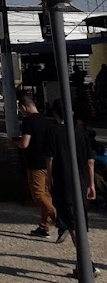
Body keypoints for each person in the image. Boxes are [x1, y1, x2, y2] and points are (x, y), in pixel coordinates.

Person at [46, 100, 99, 273]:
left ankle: (86, 264)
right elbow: (90, 160)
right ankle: (83, 264)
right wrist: (91, 184)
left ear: (55, 113)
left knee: (72, 223)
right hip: (81, 181)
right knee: (79, 222)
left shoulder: (53, 132)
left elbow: (50, 160)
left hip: (63, 182)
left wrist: (48, 181)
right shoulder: (80, 131)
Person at [15, 93, 56, 237]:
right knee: (46, 194)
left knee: (38, 195)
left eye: (20, 110)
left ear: (24, 107)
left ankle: (57, 215)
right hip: (48, 162)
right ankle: (44, 226)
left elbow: (25, 143)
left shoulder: (28, 121)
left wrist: (15, 142)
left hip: (34, 163)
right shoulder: (47, 121)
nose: (21, 112)